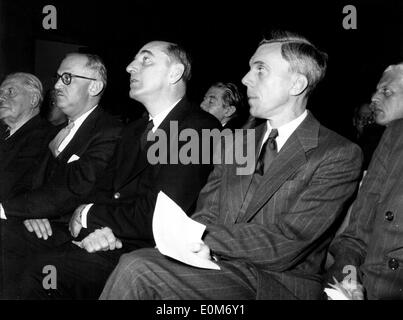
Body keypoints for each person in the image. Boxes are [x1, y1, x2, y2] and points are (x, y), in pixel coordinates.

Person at [99, 31, 363, 300]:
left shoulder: (338, 154)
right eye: (250, 69)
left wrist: (197, 237)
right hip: (217, 267)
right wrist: (192, 243)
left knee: (138, 269)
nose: (246, 79)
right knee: (134, 263)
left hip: (279, 284)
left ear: (296, 84)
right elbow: (207, 213)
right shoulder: (235, 143)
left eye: (260, 70)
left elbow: (288, 242)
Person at [20, 41, 221, 299]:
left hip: (149, 254)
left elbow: (161, 217)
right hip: (109, 237)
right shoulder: (133, 130)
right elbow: (103, 190)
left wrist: (88, 217)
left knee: (40, 272)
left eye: (145, 60)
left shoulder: (199, 128)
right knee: (18, 244)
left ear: (175, 73)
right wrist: (94, 230)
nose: (129, 67)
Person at [0, 53, 122, 299]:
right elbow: (34, 183)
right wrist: (31, 213)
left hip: (74, 235)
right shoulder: (59, 132)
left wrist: (7, 209)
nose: (56, 85)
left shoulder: (109, 131)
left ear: (95, 86)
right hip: (42, 226)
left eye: (67, 78)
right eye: (57, 78)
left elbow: (74, 188)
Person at [325, 62, 403, 300]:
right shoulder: (392, 137)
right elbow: (354, 241)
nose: (374, 99)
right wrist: (348, 283)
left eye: (386, 91)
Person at [0, 73, 54, 201]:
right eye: (0, 93)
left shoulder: (45, 136)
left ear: (33, 100)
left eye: (10, 91)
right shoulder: (3, 132)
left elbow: (10, 185)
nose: (1, 97)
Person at [352, 102, 384, 169]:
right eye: (362, 117)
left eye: (370, 118)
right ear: (354, 121)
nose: (366, 122)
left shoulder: (382, 146)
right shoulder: (347, 146)